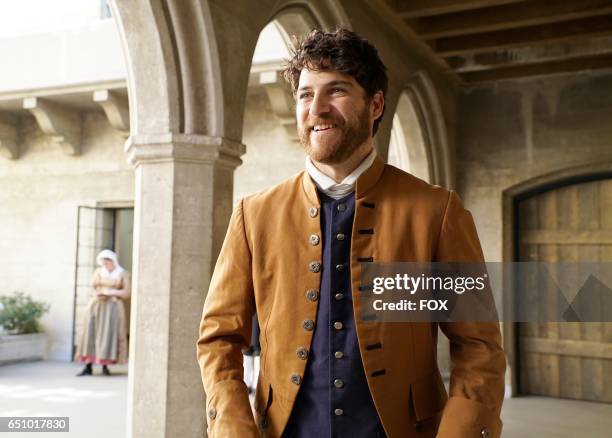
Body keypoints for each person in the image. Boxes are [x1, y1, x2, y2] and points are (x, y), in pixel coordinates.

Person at [197, 28, 506, 438]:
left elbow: (479, 347)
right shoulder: (254, 215)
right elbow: (219, 338)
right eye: (305, 95)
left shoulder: (436, 211)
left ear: (375, 104)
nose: (317, 108)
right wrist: (234, 429)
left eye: (336, 91)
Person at [75, 249, 130, 376]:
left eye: (107, 262)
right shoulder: (98, 272)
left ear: (113, 261)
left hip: (112, 307)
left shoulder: (122, 274)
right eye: (103, 262)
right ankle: (88, 366)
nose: (105, 265)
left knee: (107, 335)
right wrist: (97, 294)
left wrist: (111, 293)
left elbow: (127, 292)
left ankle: (105, 365)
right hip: (97, 306)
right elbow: (91, 287)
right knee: (90, 333)